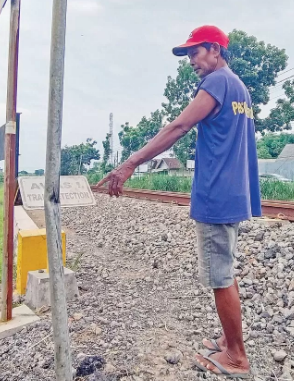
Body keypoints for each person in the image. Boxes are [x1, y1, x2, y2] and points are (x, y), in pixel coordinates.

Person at [98, 24, 261, 378]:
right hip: (233, 193)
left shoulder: (217, 82)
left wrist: (130, 164)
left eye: (195, 52)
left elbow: (177, 128)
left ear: (215, 50)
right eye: (188, 55)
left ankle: (236, 355)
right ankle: (229, 339)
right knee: (225, 270)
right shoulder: (239, 88)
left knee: (220, 277)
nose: (191, 61)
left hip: (216, 195)